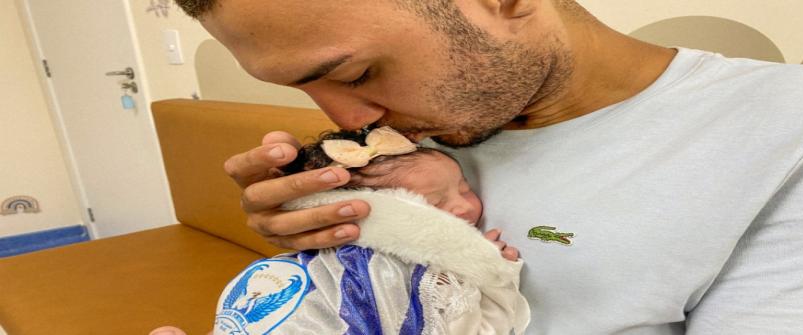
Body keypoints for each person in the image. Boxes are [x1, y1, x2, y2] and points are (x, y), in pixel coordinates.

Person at [175, 0, 803, 333]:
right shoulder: (403, 141)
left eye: (354, 73)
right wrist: (316, 238)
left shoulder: (790, 137)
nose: (351, 123)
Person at [150, 128, 530, 334]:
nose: (464, 206)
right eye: (435, 203)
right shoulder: (399, 275)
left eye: (463, 187)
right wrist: (490, 273)